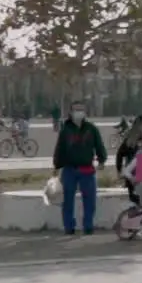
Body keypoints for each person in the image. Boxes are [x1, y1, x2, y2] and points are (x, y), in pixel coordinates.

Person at [52, 101, 108, 235]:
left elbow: (99, 145)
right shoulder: (66, 130)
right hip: (69, 169)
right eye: (76, 110)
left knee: (90, 200)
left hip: (87, 170)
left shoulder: (91, 128)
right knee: (67, 200)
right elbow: (60, 149)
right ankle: (69, 226)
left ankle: (88, 226)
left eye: (81, 110)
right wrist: (57, 165)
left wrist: (101, 159)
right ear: (70, 112)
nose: (79, 112)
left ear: (85, 112)